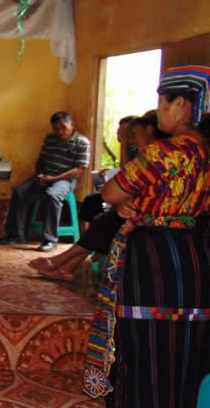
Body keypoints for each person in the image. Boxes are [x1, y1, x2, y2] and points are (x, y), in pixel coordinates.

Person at [84, 65, 210, 406]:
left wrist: (135, 205)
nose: (158, 111)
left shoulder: (162, 152)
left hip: (153, 257)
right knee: (187, 341)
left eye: (162, 103)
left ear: (180, 105)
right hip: (195, 254)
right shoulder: (206, 151)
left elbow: (111, 192)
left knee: (143, 339)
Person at [28, 114, 168, 281]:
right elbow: (126, 177)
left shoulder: (155, 155)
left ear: (150, 130)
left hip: (148, 214)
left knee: (105, 221)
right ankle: (66, 266)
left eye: (133, 133)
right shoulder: (145, 152)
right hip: (134, 205)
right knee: (99, 213)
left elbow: (117, 187)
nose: (129, 138)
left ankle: (62, 262)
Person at [0, 112, 90, 252]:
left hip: (65, 180)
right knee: (19, 192)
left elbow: (78, 170)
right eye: (56, 128)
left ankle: (50, 240)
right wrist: (39, 175)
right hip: (45, 176)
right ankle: (15, 235)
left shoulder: (82, 142)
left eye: (64, 127)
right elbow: (41, 160)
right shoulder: (50, 139)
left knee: (53, 194)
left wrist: (54, 179)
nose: (60, 131)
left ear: (72, 125)